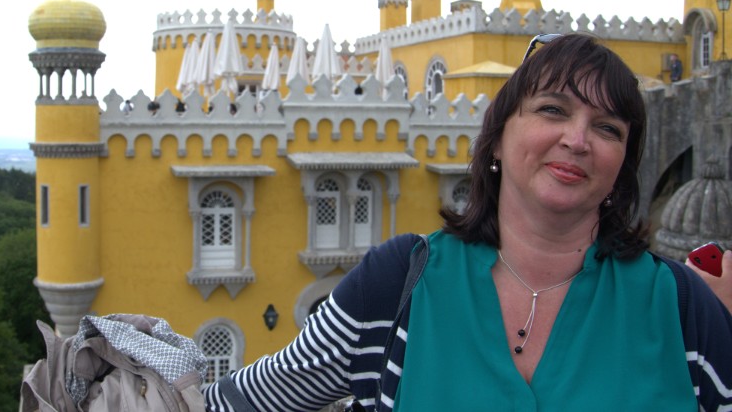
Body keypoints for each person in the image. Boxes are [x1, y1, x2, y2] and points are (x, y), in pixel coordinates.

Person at [203, 34, 732, 411]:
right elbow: (245, 400)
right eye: (552, 110)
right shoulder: (397, 286)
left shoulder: (681, 309)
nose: (577, 139)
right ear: (496, 139)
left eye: (607, 128)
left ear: (622, 167)